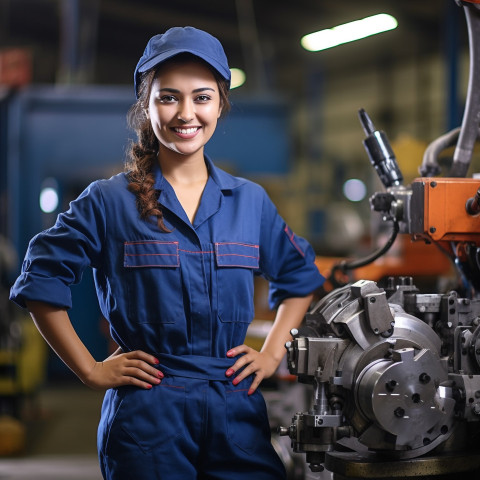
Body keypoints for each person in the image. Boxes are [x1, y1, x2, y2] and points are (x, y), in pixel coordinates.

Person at [10, 26, 325, 479]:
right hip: (148, 413)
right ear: (146, 105)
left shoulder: (250, 201)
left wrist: (272, 354)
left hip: (235, 405)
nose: (185, 113)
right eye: (168, 97)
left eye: (201, 97)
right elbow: (40, 280)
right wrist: (91, 371)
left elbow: (299, 278)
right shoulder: (109, 201)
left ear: (220, 104)